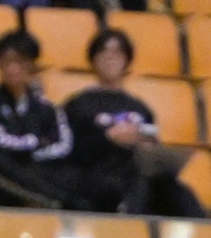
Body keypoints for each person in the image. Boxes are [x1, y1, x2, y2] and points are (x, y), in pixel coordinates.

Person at [63, 30, 202, 216]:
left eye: (118, 52)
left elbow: (151, 140)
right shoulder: (78, 104)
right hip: (99, 174)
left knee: (178, 193)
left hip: (138, 170)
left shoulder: (139, 107)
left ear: (126, 60)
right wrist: (108, 138)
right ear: (93, 59)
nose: (111, 58)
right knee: (131, 187)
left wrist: (149, 146)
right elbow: (71, 151)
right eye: (104, 51)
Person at [0, 31, 76, 208]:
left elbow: (63, 145)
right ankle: (62, 202)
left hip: (38, 171)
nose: (13, 69)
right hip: (2, 181)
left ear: (32, 66)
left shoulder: (46, 108)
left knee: (74, 173)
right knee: (2, 163)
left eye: (20, 61)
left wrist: (30, 153)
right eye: (7, 62)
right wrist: (36, 142)